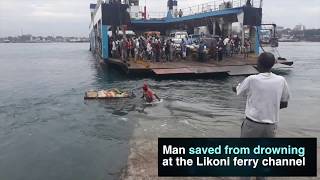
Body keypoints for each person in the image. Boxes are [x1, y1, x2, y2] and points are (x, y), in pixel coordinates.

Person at [233, 52, 290, 137]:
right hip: (271, 126)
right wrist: (268, 108)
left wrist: (234, 87)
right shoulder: (281, 80)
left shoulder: (252, 79)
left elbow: (238, 91)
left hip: (252, 124)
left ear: (258, 63)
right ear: (273, 64)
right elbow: (284, 103)